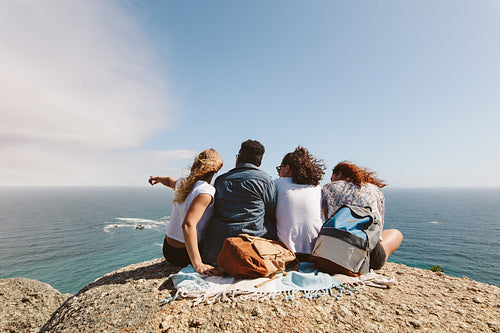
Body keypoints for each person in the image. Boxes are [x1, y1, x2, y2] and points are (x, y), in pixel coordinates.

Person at [202, 139, 277, 264]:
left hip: (217, 252)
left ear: (238, 158)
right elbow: (272, 212)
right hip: (251, 251)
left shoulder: (221, 180)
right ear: (259, 162)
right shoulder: (266, 181)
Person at [148, 149, 223, 275]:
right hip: (184, 255)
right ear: (216, 171)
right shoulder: (206, 191)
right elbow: (188, 225)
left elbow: (169, 180)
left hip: (168, 250)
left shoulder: (182, 182)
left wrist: (158, 178)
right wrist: (198, 264)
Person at [322, 161, 403, 270]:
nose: (331, 181)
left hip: (330, 254)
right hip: (365, 255)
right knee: (395, 233)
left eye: (332, 178)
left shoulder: (328, 188)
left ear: (339, 174)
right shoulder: (375, 190)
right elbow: (378, 225)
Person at [274, 146, 326, 261]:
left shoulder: (278, 183)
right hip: (314, 251)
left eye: (280, 169)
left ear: (287, 168)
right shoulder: (317, 188)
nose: (279, 174)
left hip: (287, 251)